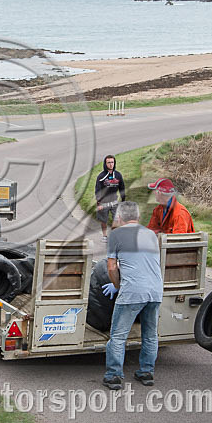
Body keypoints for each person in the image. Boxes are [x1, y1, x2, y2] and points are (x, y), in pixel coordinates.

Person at [101, 201, 163, 390]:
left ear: (119, 217)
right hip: (155, 291)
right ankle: (146, 372)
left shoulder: (116, 234)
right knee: (150, 335)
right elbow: (142, 262)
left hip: (132, 292)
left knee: (118, 336)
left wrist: (117, 285)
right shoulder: (151, 235)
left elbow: (111, 267)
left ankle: (113, 375)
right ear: (137, 217)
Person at [94, 155, 126, 242]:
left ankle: (114, 235)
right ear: (105, 163)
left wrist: (123, 200)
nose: (111, 164)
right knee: (103, 220)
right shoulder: (101, 176)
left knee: (117, 218)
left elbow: (122, 188)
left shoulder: (118, 175)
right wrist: (98, 203)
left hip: (114, 201)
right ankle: (104, 236)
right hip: (103, 202)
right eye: (109, 162)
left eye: (112, 162)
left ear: (114, 163)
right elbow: (97, 190)